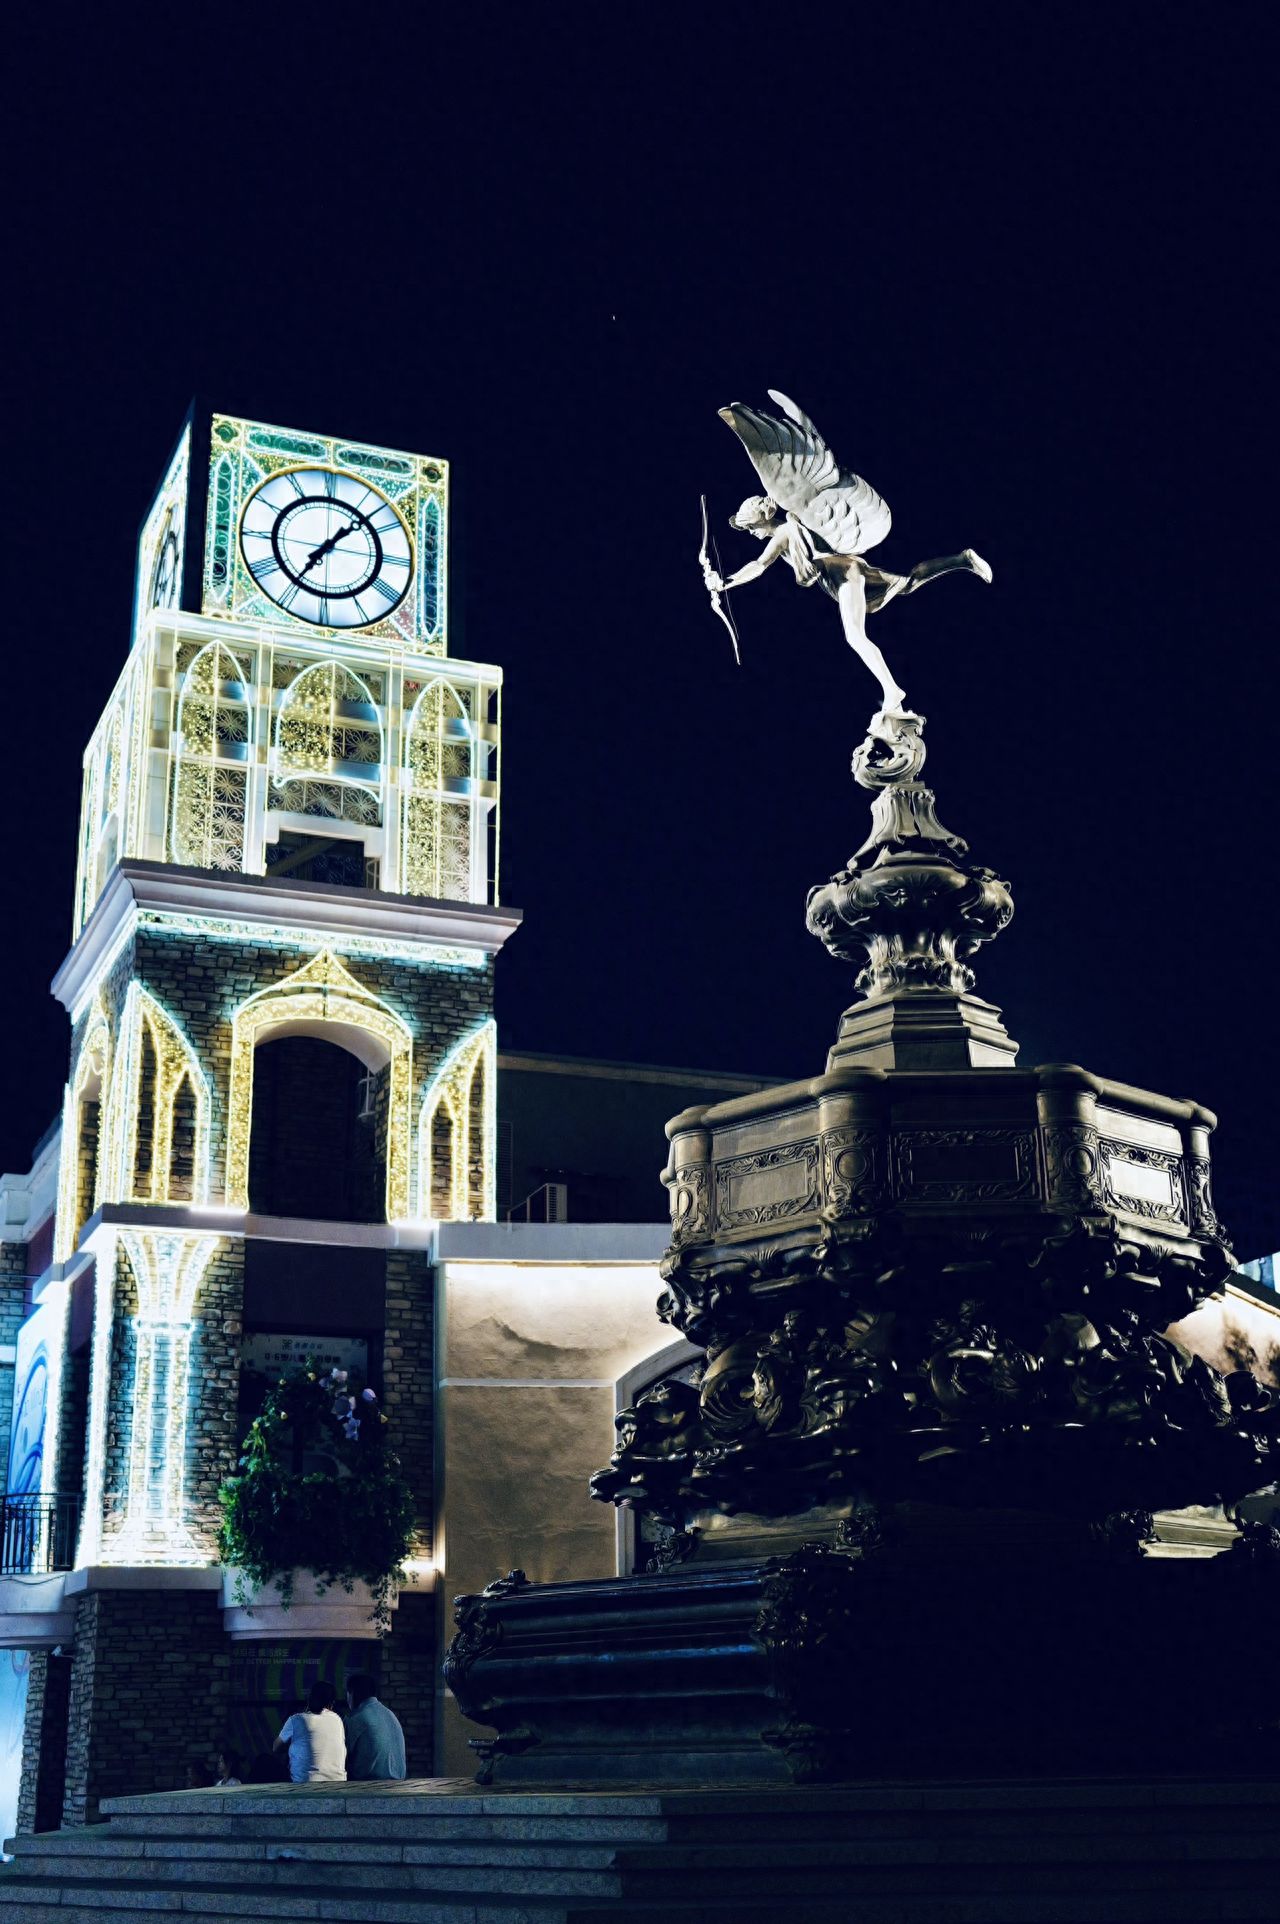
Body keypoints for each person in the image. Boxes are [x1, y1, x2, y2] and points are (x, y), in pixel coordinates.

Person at [274, 1680, 347, 1783]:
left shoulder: (296, 1719)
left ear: (309, 1698)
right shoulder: (338, 1720)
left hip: (305, 1786)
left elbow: (276, 1747)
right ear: (332, 1703)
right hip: (338, 1783)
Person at [343, 1672, 407, 1782]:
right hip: (399, 1782)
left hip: (370, 1785)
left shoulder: (355, 1718)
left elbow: (341, 1755)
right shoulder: (389, 1713)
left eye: (347, 1693)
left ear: (352, 1693)